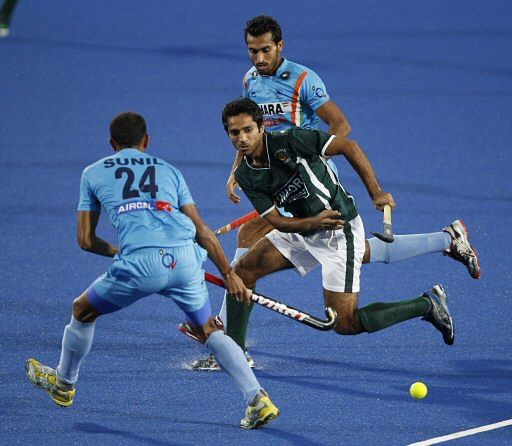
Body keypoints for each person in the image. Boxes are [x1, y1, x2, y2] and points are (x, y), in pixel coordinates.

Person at [183, 15, 480, 371]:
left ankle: (427, 301)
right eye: (252, 51)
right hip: (282, 191)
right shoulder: (250, 84)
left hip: (314, 180)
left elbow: (342, 129)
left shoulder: (303, 80)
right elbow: (247, 126)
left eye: (265, 50)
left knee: (345, 317)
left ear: (280, 46)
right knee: (246, 265)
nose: (259, 59)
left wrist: (315, 154)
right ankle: (232, 349)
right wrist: (240, 172)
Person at [24, 112, 279, 430]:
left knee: (82, 310)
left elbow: (86, 241)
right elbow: (203, 231)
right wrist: (229, 274)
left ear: (112, 144)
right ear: (146, 142)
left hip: (139, 265)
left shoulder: (92, 173)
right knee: (209, 330)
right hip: (186, 260)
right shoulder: (169, 171)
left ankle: (63, 384)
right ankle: (258, 399)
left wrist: (118, 252)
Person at [219, 98, 455, 348]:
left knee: (345, 323)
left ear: (261, 127)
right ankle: (234, 352)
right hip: (301, 228)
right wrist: (311, 222)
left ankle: (428, 305)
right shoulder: (244, 175)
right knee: (241, 273)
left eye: (248, 130)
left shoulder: (291, 140)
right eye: (235, 133)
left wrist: (376, 192)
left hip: (339, 231)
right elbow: (277, 221)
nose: (242, 138)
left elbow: (349, 147)